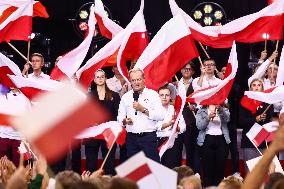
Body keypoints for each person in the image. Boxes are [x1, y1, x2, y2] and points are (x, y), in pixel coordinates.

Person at [117, 68, 164, 162]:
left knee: (153, 170)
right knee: (135, 172)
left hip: (148, 138)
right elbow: (119, 117)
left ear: (144, 79)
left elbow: (160, 115)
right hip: (131, 139)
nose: (136, 82)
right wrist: (124, 121)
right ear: (130, 82)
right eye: (133, 80)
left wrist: (143, 109)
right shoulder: (126, 97)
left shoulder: (153, 94)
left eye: (138, 79)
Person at [84, 69, 120, 175]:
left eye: (102, 76)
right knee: (90, 165)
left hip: (108, 133)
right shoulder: (89, 97)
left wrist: (107, 126)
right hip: (92, 134)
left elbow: (118, 115)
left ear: (106, 78)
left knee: (109, 164)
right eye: (97, 77)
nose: (100, 79)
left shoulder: (115, 95)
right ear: (94, 80)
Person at [239, 79, 273, 164]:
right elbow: (241, 121)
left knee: (263, 171)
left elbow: (269, 121)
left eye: (259, 85)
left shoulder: (267, 103)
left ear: (262, 88)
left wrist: (264, 119)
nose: (256, 87)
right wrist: (256, 119)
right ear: (250, 89)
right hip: (249, 140)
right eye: (254, 85)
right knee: (250, 172)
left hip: (263, 140)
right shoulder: (243, 102)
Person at [196, 104, 230, 186]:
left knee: (220, 168)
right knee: (208, 169)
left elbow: (227, 119)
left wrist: (221, 110)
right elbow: (199, 126)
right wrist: (208, 117)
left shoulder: (224, 109)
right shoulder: (201, 111)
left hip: (221, 139)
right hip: (207, 139)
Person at [156, 85, 186, 168]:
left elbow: (183, 127)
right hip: (158, 142)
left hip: (173, 142)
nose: (164, 97)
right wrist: (169, 124)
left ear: (170, 97)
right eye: (161, 95)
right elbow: (153, 126)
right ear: (158, 97)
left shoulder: (175, 110)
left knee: (172, 168)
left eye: (167, 95)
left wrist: (178, 128)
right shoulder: (153, 110)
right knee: (158, 168)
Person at [179, 62, 200, 173]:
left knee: (191, 152)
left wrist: (196, 107)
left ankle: (191, 178)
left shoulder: (197, 84)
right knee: (176, 153)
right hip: (177, 124)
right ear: (181, 70)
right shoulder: (175, 84)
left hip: (191, 123)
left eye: (189, 69)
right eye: (184, 68)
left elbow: (201, 101)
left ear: (193, 71)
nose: (186, 70)